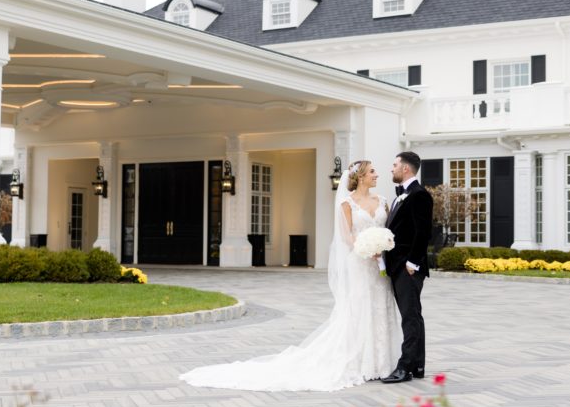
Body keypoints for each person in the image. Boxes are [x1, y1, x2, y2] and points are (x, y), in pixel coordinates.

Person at [179, 160, 402, 392]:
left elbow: (388, 231)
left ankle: (382, 362)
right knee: (360, 308)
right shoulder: (346, 203)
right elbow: (346, 238)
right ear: (362, 176)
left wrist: (382, 247)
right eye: (372, 172)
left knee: (380, 307)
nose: (377, 175)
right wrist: (365, 249)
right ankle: (360, 362)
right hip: (360, 263)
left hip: (379, 267)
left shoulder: (382, 201)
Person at [381, 151, 434, 383]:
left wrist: (412, 263)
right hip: (397, 266)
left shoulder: (419, 195)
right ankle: (417, 365)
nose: (391, 169)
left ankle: (404, 367)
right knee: (413, 316)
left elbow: (423, 233)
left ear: (405, 169)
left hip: (407, 267)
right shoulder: (400, 196)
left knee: (410, 318)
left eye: (394, 165)